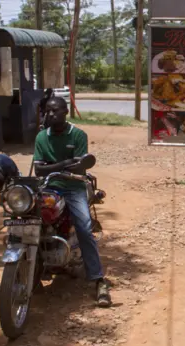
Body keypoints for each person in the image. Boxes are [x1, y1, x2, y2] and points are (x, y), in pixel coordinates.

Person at [33, 96, 111, 307]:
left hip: (74, 187)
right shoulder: (41, 136)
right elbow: (39, 169)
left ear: (65, 111)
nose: (50, 114)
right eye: (47, 111)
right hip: (50, 186)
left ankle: (98, 279)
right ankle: (23, 273)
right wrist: (65, 163)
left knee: (85, 228)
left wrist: (57, 166)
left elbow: (79, 167)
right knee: (28, 222)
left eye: (55, 111)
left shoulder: (78, 135)